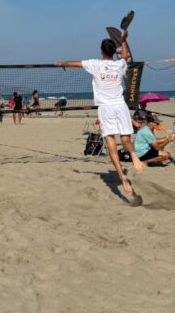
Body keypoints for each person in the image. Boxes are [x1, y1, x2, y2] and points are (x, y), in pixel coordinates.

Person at [56, 30, 143, 204]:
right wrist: (123, 41)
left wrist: (62, 63)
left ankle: (121, 176)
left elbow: (74, 64)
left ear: (101, 51)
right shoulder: (120, 65)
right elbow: (125, 56)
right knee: (126, 138)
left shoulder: (95, 64)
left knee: (110, 141)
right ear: (113, 52)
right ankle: (134, 156)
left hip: (106, 108)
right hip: (120, 105)